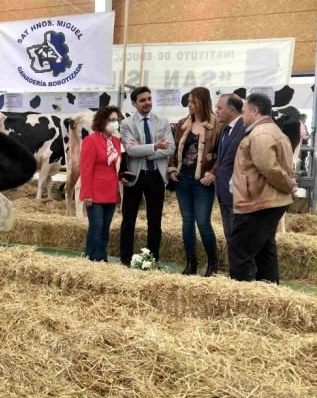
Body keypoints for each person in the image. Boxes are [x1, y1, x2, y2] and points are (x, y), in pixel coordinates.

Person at [229, 93, 296, 284]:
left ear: (254, 111)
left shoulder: (260, 134)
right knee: (265, 250)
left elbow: (268, 167)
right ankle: (267, 293)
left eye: (243, 112)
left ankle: (244, 297)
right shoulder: (271, 130)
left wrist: (288, 186)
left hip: (259, 202)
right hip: (267, 200)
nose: (242, 117)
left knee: (239, 251)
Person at [168, 87, 222, 276]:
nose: (189, 105)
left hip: (204, 181)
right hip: (183, 179)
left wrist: (212, 173)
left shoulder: (217, 125)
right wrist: (172, 169)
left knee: (203, 221)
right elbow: (174, 151)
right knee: (187, 221)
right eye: (188, 101)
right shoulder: (182, 123)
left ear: (203, 102)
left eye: (193, 101)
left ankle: (212, 264)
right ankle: (191, 262)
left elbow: (222, 155)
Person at [119, 86, 175, 266]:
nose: (147, 103)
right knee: (129, 219)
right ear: (134, 103)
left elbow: (171, 148)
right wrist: (156, 146)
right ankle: (125, 259)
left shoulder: (163, 121)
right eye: (142, 100)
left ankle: (152, 259)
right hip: (135, 176)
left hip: (156, 176)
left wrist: (148, 150)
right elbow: (130, 150)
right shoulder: (126, 124)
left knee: (155, 221)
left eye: (149, 99)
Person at [79, 106, 124, 262]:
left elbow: (117, 167)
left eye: (116, 120)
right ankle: (92, 258)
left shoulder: (117, 142)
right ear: (102, 121)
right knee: (96, 227)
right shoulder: (90, 141)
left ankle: (102, 258)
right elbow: (86, 170)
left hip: (111, 192)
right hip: (95, 193)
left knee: (105, 229)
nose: (115, 123)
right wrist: (86, 195)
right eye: (111, 120)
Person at [213, 93, 245, 253]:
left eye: (219, 108)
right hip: (224, 193)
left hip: (239, 195)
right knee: (230, 237)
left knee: (239, 240)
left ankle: (243, 275)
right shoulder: (225, 129)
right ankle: (235, 273)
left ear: (232, 110)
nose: (216, 111)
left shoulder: (245, 129)